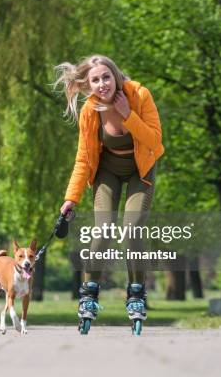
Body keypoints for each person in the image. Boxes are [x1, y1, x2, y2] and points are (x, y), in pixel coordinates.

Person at [54, 54, 164, 331]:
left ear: (115, 75)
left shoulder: (139, 95)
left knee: (133, 228)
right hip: (107, 171)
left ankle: (136, 292)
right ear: (88, 85)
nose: (102, 84)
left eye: (106, 76)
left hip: (141, 168)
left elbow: (154, 142)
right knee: (102, 229)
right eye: (95, 80)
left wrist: (128, 114)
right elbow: (82, 158)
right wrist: (71, 198)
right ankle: (89, 293)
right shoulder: (90, 111)